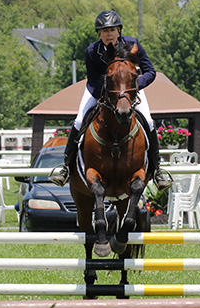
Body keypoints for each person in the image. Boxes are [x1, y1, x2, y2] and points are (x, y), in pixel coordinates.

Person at [50, 10, 172, 191]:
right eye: (104, 31)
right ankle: (66, 167)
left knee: (149, 122)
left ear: (119, 31)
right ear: (99, 34)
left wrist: (134, 85)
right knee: (78, 121)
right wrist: (110, 92)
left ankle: (157, 170)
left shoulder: (132, 44)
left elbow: (150, 72)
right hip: (100, 91)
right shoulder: (92, 51)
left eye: (112, 30)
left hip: (131, 90)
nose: (109, 34)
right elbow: (92, 79)